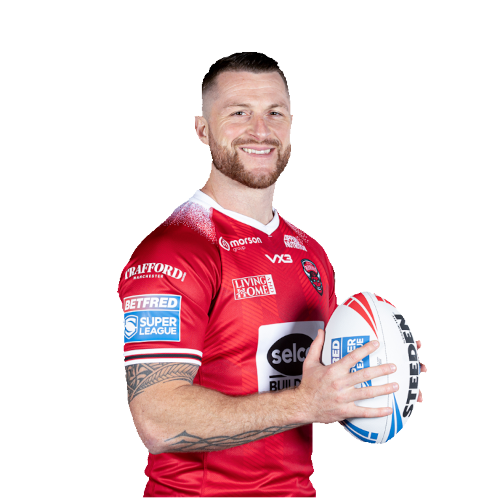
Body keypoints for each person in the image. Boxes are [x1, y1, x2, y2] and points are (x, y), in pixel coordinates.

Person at [118, 52, 426, 498]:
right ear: (202, 130)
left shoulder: (310, 252)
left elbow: (314, 384)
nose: (260, 131)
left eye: (274, 113)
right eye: (239, 113)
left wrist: (380, 375)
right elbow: (158, 421)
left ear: (291, 125)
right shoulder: (176, 249)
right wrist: (306, 403)